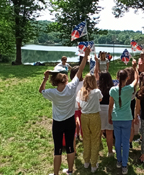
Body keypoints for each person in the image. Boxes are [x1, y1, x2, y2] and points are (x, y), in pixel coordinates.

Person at [39, 47, 90, 175]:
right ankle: (70, 171)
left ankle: (56, 174)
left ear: (55, 79)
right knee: (70, 147)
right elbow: (80, 71)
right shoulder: (72, 87)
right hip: (69, 121)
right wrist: (86, 55)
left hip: (58, 123)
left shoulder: (52, 93)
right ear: (65, 77)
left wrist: (44, 79)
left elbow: (41, 90)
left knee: (57, 149)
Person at [108, 60, 138, 175]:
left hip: (116, 117)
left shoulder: (112, 90)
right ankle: (124, 165)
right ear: (127, 77)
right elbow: (136, 80)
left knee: (118, 141)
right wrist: (135, 68)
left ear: (116, 77)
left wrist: (109, 117)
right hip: (126, 118)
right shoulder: (130, 88)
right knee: (125, 142)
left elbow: (111, 106)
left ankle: (119, 161)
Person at [76, 72, 103, 172]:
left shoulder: (80, 92)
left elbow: (78, 105)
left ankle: (86, 161)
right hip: (95, 116)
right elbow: (100, 99)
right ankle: (93, 164)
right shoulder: (97, 91)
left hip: (84, 116)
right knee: (95, 140)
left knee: (86, 139)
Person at [94, 57, 115, 157]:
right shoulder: (112, 87)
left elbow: (95, 74)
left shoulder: (97, 86)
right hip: (109, 110)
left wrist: (96, 62)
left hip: (99, 110)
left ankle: (96, 151)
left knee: (99, 132)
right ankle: (110, 152)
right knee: (109, 132)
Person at [70, 66, 84, 153]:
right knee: (82, 122)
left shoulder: (71, 83)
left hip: (73, 106)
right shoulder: (84, 83)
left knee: (74, 122)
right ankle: (82, 136)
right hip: (82, 106)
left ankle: (76, 135)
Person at [124, 67, 136, 149]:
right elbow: (136, 79)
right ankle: (130, 142)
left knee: (124, 124)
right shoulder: (133, 87)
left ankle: (124, 141)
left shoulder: (124, 87)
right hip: (132, 104)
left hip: (124, 104)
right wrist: (135, 68)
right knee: (131, 124)